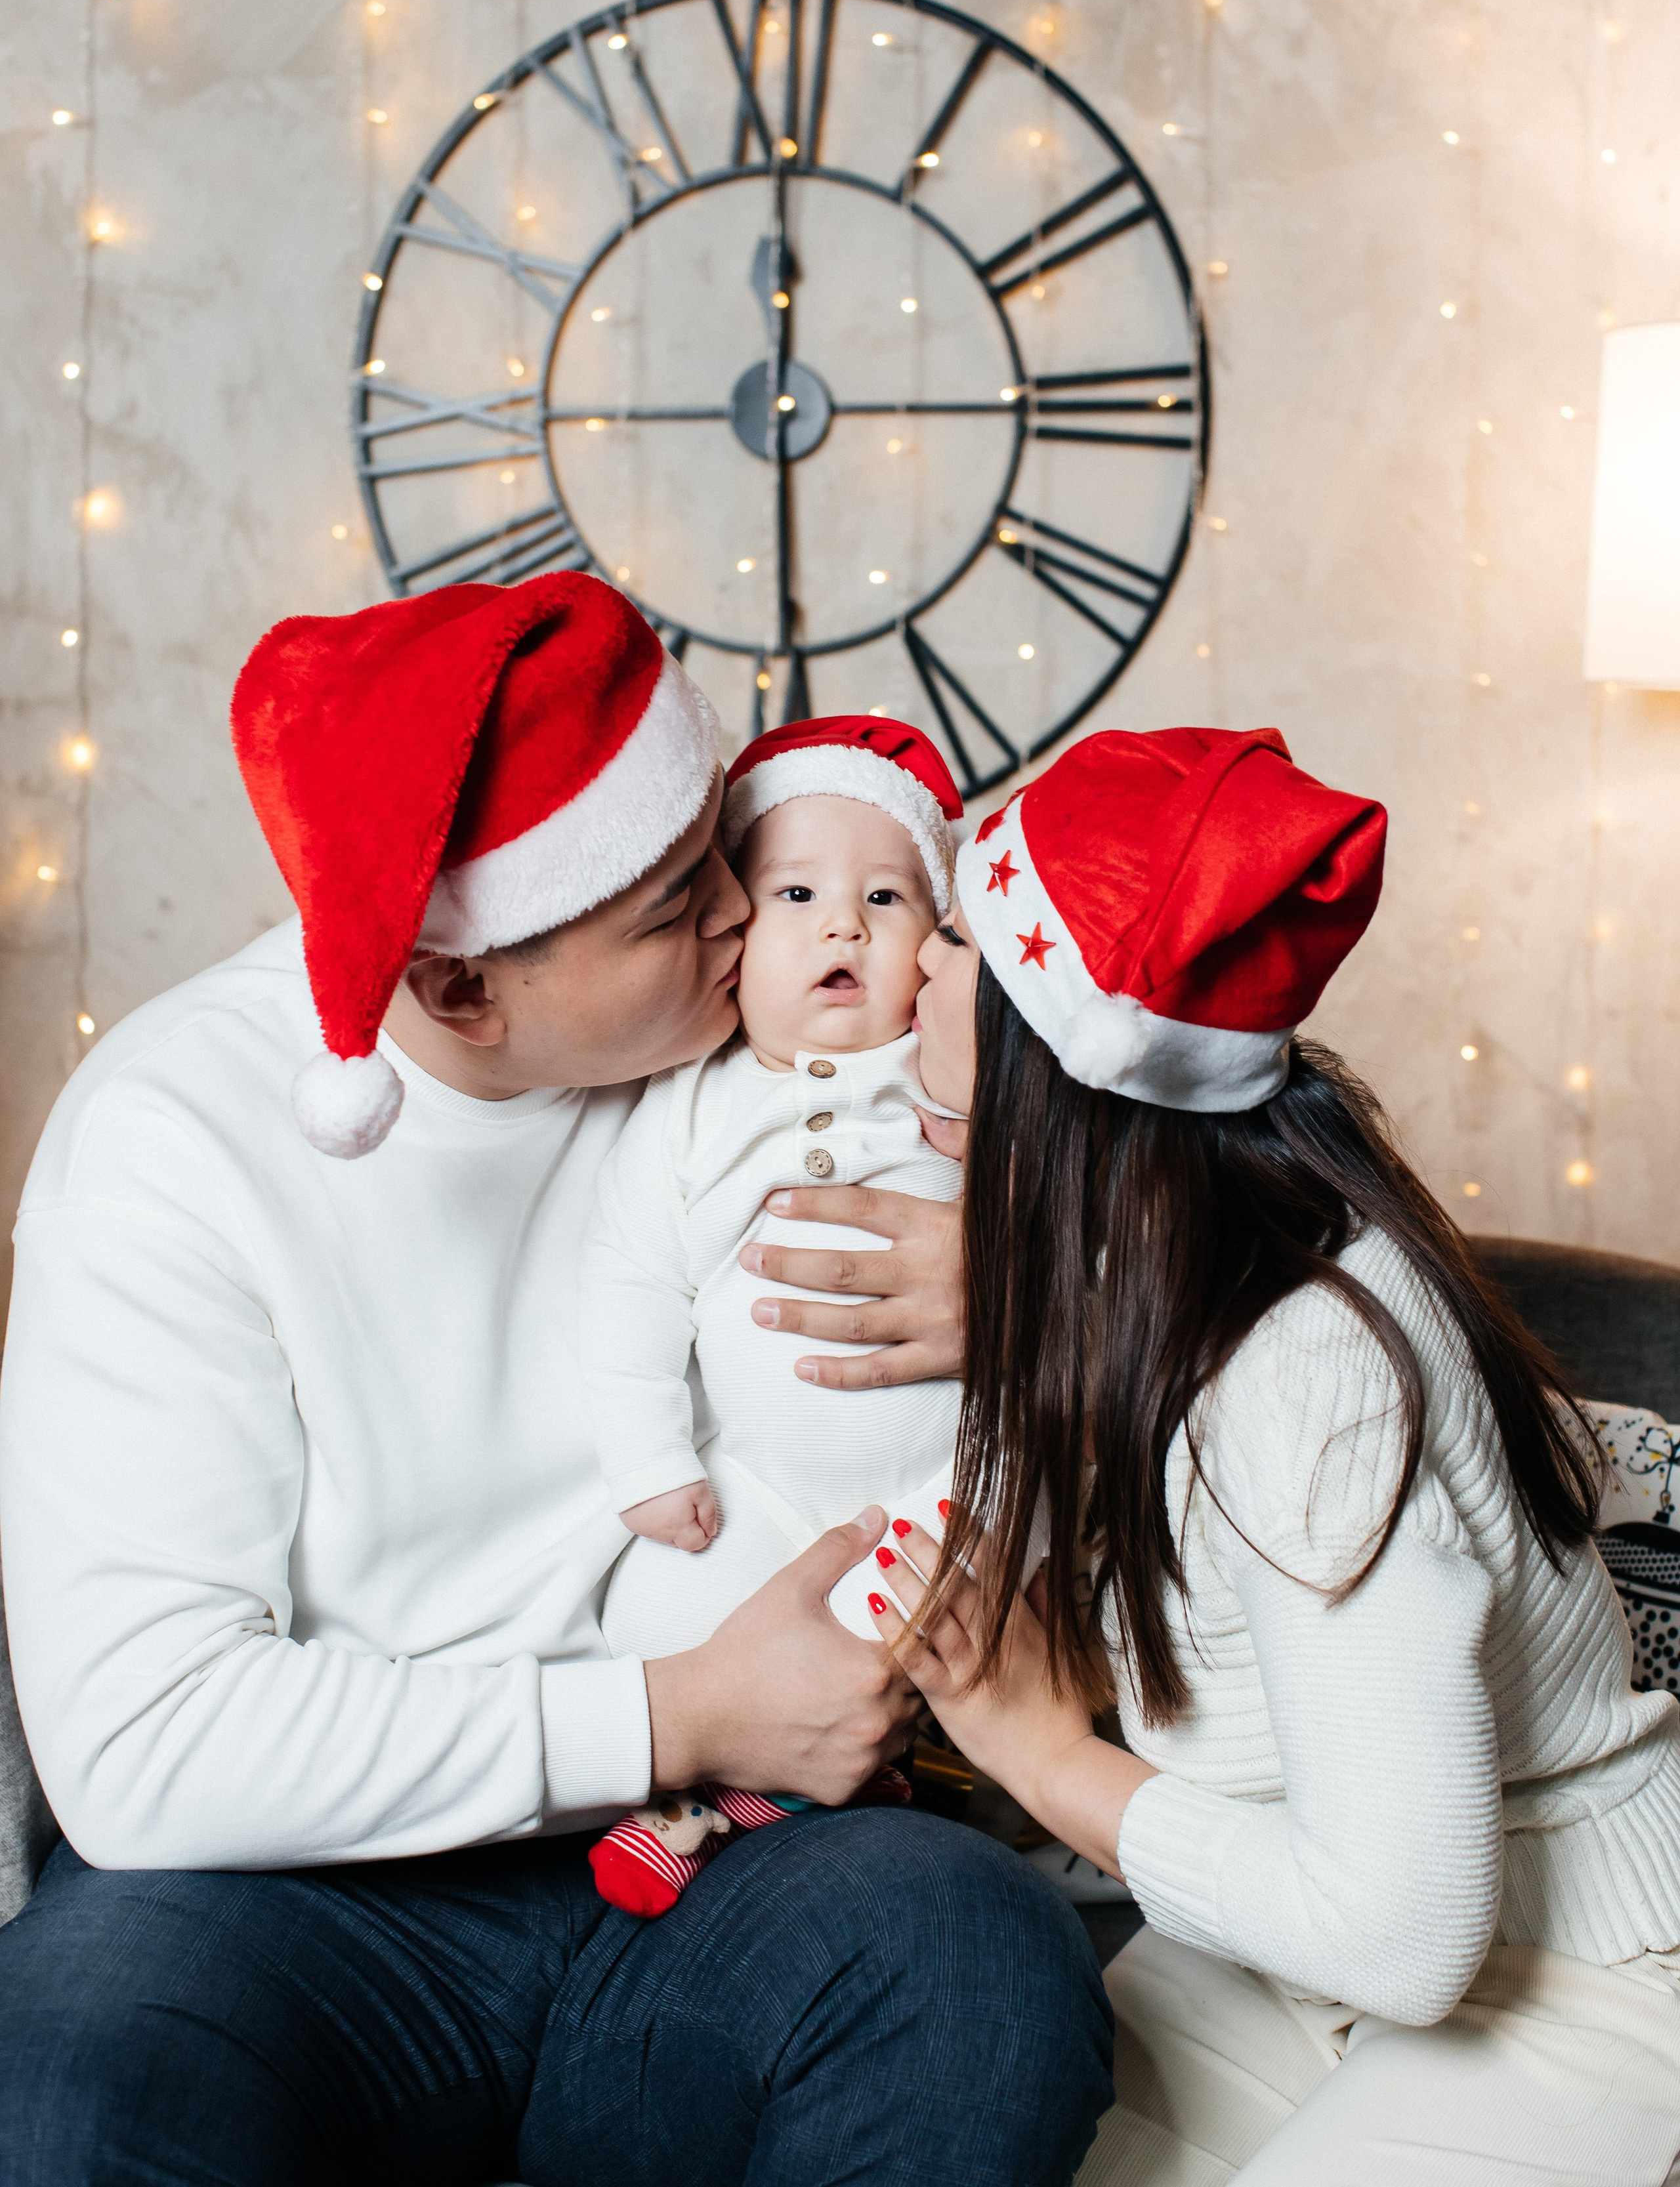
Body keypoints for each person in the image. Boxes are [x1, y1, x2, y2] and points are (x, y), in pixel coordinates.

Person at [0, 576, 1113, 2187]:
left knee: (976, 1972)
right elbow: (148, 1746)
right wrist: (681, 1707)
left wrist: (1023, 1292)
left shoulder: (781, 1032)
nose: (750, 916)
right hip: (291, 1900)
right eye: (674, 908)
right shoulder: (169, 1140)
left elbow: (1181, 1115)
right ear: (460, 987)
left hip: (724, 1859)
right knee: (57, 2086)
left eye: (731, 854)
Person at [872, 724, 1680, 2187]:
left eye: (953, 942)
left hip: (1555, 1959)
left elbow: (1401, 1934)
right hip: (1268, 1937)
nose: (912, 967)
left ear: (1050, 1070)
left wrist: (1049, 1763)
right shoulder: (1160, 1257)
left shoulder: (1304, 1371)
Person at [583, 715, 972, 1914]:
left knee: (995, 1599)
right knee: (655, 1603)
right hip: (753, 1488)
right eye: (796, 892)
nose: (844, 924)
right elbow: (633, 1283)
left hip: (943, 1480)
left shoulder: (947, 1072)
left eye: (889, 897)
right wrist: (649, 1460)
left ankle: (924, 1781)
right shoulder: (692, 1107)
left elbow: (1077, 1217)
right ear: (732, 944)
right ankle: (702, 1797)